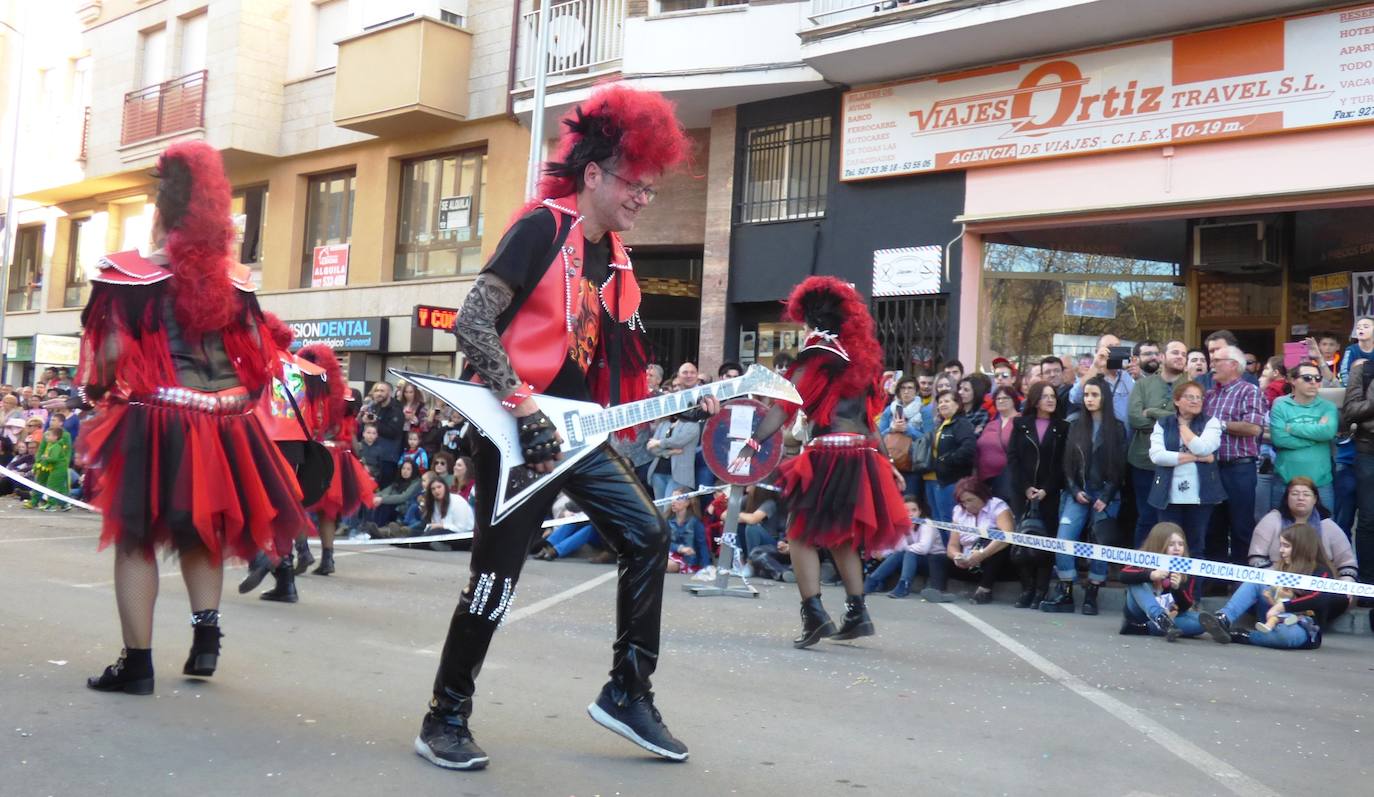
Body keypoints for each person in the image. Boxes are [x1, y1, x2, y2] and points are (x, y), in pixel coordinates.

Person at [419, 85, 702, 770]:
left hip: (576, 432)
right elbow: (473, 319)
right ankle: (445, 715)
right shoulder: (541, 228)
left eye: (651, 189)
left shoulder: (620, 261)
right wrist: (519, 402)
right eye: (635, 183)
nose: (643, 197)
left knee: (648, 533)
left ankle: (628, 691)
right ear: (595, 174)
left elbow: (606, 371)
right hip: (519, 432)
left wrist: (684, 399)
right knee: (496, 577)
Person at [77, 141, 309, 695]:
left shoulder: (127, 274)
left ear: (162, 210)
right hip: (226, 423)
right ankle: (206, 640)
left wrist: (103, 395)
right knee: (202, 532)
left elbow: (106, 359)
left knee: (136, 538)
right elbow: (259, 359)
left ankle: (137, 665)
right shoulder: (236, 281)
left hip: (158, 418)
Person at [734, 276, 909, 650]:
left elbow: (784, 405)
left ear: (811, 322)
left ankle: (814, 615)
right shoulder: (859, 361)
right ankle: (857, 611)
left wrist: (752, 443)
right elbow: (868, 421)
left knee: (798, 535)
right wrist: (886, 460)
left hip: (827, 454)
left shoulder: (815, 356)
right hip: (860, 453)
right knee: (841, 537)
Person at [291, 344, 377, 579]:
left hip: (315, 454)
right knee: (327, 512)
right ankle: (327, 558)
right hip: (339, 458)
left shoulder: (305, 392)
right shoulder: (344, 395)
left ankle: (303, 550)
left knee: (295, 503)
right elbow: (351, 431)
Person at [1043, 376, 1126, 615]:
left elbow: (1120, 466)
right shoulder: (1074, 423)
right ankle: (1066, 592)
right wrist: (1074, 489)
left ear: (1104, 398)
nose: (1089, 399)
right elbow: (1066, 463)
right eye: (1086, 395)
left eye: (1094, 395)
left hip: (1105, 494)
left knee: (1100, 544)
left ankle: (1093, 593)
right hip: (1077, 492)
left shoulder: (1117, 428)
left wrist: (1107, 496)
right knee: (1064, 540)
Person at [1198, 523, 1345, 648]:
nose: (1281, 551)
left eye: (1286, 546)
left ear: (1302, 547)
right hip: (1271, 616)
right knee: (1257, 580)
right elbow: (1274, 596)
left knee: (1285, 636)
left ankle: (1245, 636)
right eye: (1281, 545)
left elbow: (1320, 597)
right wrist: (1272, 598)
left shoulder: (1322, 571)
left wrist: (1283, 606)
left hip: (1302, 625)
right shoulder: (1281, 568)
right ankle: (1224, 618)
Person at [1005, 381, 1068, 609]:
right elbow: (1013, 458)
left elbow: (1062, 464)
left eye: (1053, 396)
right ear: (1035, 400)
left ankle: (1041, 589)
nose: (1050, 400)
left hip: (1048, 494)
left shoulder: (1062, 427)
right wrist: (1025, 487)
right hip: (1023, 492)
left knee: (1045, 542)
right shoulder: (1020, 424)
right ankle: (1027, 588)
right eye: (1045, 396)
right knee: (1023, 539)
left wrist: (1047, 489)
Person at [1204, 345, 1267, 563]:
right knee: (1213, 526)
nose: (1212, 365)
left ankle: (1241, 581)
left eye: (1217, 360)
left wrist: (1218, 425)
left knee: (1241, 526)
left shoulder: (1250, 391)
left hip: (1240, 468)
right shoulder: (1209, 395)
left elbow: (1253, 428)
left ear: (1234, 364)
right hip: (1211, 468)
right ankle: (1215, 581)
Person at [1148, 380, 1224, 558]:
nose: (1195, 401)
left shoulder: (1211, 423)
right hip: (1168, 494)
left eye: (1199, 397)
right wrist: (1197, 458)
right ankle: (1167, 585)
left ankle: (1192, 586)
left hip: (1200, 495)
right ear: (1176, 400)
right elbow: (1158, 456)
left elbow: (1203, 448)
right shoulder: (1163, 423)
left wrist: (1182, 428)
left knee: (1195, 545)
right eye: (1190, 397)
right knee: (1167, 545)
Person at [1126, 340, 1187, 544]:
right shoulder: (1143, 385)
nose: (1180, 357)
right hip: (1143, 461)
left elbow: (1186, 419)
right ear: (1162, 357)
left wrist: (1152, 412)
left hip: (1177, 462)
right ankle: (1139, 570)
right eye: (1175, 352)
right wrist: (1170, 418)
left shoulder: (1189, 386)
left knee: (1172, 520)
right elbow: (1135, 419)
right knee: (1146, 517)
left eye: (1183, 354)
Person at [1250, 477, 1358, 583]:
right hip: (1275, 583)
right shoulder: (1271, 521)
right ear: (1287, 498)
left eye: (1306, 494)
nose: (1300, 498)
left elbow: (1347, 565)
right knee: (1250, 585)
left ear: (1315, 499)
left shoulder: (1329, 527)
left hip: (1317, 587)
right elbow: (1256, 558)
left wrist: (1345, 586)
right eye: (1295, 494)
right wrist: (1278, 582)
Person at [932, 477, 1015, 604]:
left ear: (981, 496)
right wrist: (957, 556)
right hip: (968, 562)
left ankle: (984, 590)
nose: (967, 505)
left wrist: (982, 554)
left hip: (992, 561)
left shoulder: (997, 505)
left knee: (996, 538)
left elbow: (1007, 535)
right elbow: (952, 545)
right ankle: (937, 591)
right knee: (937, 558)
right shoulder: (959, 511)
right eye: (963, 502)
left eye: (971, 500)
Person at [1268, 361, 1337, 511]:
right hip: (1286, 482)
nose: (1313, 382)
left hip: (1320, 483)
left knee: (1323, 531)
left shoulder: (1328, 406)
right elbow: (1279, 439)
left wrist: (1293, 428)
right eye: (1307, 378)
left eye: (1317, 378)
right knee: (1282, 531)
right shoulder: (1280, 404)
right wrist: (1315, 437)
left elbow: (1328, 432)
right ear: (1292, 380)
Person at [1118, 523, 1204, 641]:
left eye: (1180, 544)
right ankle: (1159, 618)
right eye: (1171, 544)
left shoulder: (1186, 567)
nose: (1177, 548)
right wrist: (1151, 575)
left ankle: (1141, 628)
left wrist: (1177, 588)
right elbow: (1123, 576)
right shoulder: (1144, 557)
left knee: (1201, 622)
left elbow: (1185, 606)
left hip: (1170, 614)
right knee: (1137, 582)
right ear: (1159, 544)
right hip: (1139, 612)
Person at [862, 493, 935, 598]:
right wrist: (882, 554)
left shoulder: (927, 523)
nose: (910, 514)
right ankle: (872, 581)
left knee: (908, 552)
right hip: (911, 559)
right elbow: (898, 548)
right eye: (906, 511)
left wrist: (904, 550)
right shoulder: (902, 525)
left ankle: (904, 585)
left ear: (920, 511)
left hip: (931, 561)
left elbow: (924, 548)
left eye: (914, 510)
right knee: (900, 553)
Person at [926, 389, 977, 522]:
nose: (942, 404)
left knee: (950, 521)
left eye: (947, 401)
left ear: (957, 404)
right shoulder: (941, 425)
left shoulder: (961, 424)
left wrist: (947, 460)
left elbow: (968, 448)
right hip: (938, 480)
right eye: (940, 402)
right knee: (940, 520)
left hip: (954, 481)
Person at [1069, 333, 1135, 419]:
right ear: (1097, 352)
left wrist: (1137, 373)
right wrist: (1096, 366)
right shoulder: (1092, 376)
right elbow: (1075, 397)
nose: (1114, 351)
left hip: (1125, 431)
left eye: (1117, 347)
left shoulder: (1125, 376)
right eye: (1110, 347)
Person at [879, 377, 925, 496]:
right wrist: (892, 429)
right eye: (903, 388)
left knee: (910, 501)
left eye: (910, 388)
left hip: (913, 464)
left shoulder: (924, 410)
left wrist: (908, 430)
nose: (906, 391)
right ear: (898, 391)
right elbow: (878, 435)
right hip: (892, 462)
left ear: (916, 391)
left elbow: (928, 438)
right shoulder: (890, 410)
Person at [358, 381, 405, 487]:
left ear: (389, 393)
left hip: (388, 458)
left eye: (382, 391)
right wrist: (364, 421)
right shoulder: (374, 407)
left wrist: (375, 422)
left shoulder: (396, 410)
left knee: (383, 487)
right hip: (371, 456)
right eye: (377, 390)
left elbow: (393, 432)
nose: (379, 393)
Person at [976, 385, 1018, 501]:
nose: (1001, 401)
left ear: (1014, 400)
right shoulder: (991, 424)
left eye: (1005, 398)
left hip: (1009, 480)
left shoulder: (1022, 421)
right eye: (998, 399)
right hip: (985, 482)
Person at [645, 415, 699, 500]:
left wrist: (659, 442)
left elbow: (678, 441)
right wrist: (669, 452)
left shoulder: (692, 424)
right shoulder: (663, 424)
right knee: (660, 510)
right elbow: (651, 448)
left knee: (670, 507)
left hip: (678, 475)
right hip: (658, 472)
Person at [25, 425, 72, 511]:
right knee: (60, 487)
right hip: (54, 468)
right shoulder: (53, 445)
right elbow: (42, 450)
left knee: (52, 486)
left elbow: (54, 459)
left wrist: (46, 458)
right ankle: (65, 504)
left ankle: (52, 505)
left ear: (55, 437)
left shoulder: (56, 446)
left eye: (48, 435)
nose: (46, 437)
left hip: (58, 469)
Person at [664, 488, 708, 573]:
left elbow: (702, 545)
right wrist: (679, 548)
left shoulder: (695, 522)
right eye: (672, 498)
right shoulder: (667, 520)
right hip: (670, 554)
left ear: (687, 503)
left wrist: (706, 567)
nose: (673, 502)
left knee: (668, 565)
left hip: (687, 560)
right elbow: (664, 542)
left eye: (678, 499)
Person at [1338, 316, 1374, 386]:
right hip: (1354, 387)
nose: (1361, 328)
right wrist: (1350, 387)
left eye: (1366, 327)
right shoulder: (1351, 350)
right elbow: (1344, 372)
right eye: (1358, 327)